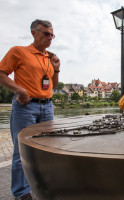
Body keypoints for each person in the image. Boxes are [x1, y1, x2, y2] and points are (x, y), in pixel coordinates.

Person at [0, 19, 60, 200]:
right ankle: (22, 192)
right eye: (46, 34)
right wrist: (19, 89)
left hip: (47, 106)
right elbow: (1, 73)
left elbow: (52, 85)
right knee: (22, 150)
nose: (50, 38)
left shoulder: (49, 57)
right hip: (25, 107)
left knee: (46, 149)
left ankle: (43, 186)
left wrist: (56, 70)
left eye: (52, 34)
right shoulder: (19, 51)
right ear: (33, 33)